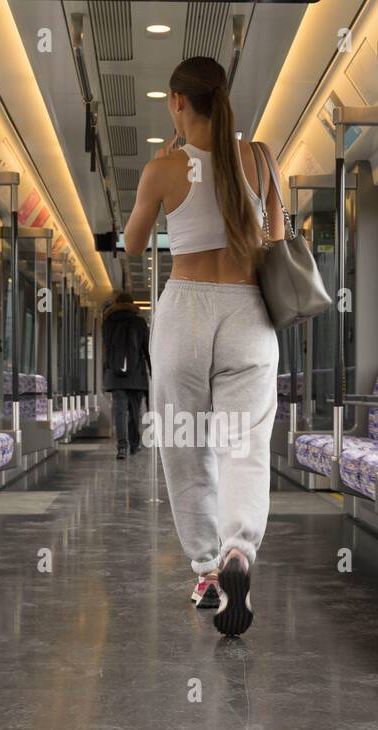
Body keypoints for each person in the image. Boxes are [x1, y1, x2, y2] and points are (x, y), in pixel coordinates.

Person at [123, 55, 285, 637]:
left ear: (177, 102)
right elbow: (277, 240)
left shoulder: (162, 168)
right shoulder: (261, 159)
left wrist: (170, 167)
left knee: (185, 445)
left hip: (186, 307)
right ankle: (239, 550)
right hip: (247, 310)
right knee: (245, 445)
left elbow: (133, 241)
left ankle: (206, 570)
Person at [100, 291, 150, 460]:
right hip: (136, 375)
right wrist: (153, 371)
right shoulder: (140, 322)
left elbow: (106, 348)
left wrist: (106, 371)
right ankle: (134, 445)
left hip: (115, 374)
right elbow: (146, 350)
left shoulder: (107, 322)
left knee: (120, 410)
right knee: (134, 411)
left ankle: (122, 447)